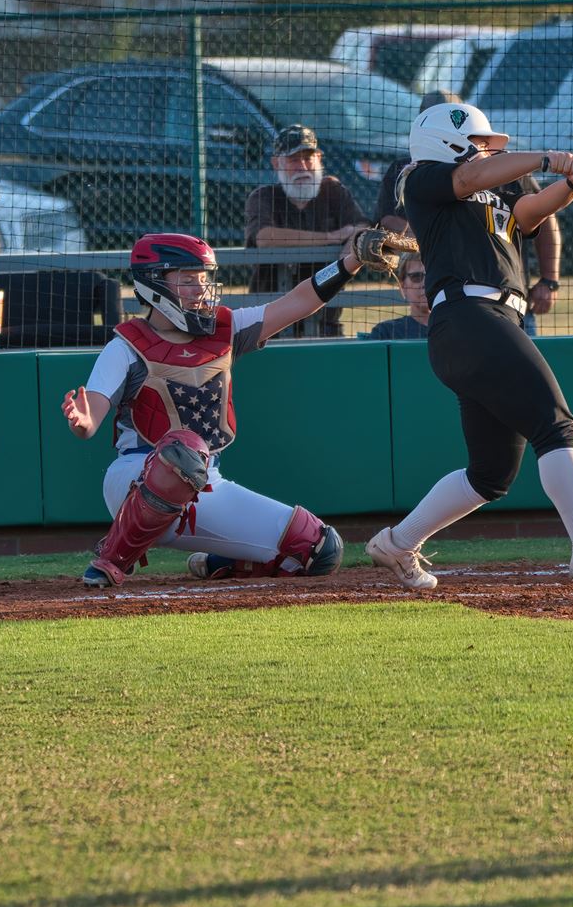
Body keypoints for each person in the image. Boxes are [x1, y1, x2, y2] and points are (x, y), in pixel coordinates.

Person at [364, 103, 573, 591]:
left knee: (491, 474)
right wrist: (546, 158)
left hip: (494, 320)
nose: (489, 150)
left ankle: (397, 542)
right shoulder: (423, 178)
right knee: (555, 424)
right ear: (447, 142)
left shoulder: (499, 183)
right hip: (467, 315)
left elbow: (527, 214)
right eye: (479, 143)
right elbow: (469, 180)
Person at [60, 227, 411, 586]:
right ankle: (112, 557)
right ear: (154, 283)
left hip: (205, 485)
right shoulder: (125, 346)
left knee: (322, 550)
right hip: (134, 479)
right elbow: (92, 419)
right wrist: (83, 422)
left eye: (202, 278)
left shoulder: (225, 329)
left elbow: (298, 302)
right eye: (187, 279)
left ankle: (218, 561)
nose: (200, 289)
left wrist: (350, 262)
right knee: (183, 450)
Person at [381, 92, 562, 336]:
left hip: (510, 296)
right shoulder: (415, 171)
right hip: (459, 298)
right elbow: (390, 220)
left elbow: (539, 213)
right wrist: (431, 227)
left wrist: (550, 279)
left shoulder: (505, 168)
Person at [243, 124, 365, 338]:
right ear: (276, 163)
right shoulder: (263, 196)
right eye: (293, 160)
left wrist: (350, 247)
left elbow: (363, 226)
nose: (302, 167)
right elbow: (264, 237)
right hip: (270, 323)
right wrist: (330, 238)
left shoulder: (333, 191)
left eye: (308, 158)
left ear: (319, 159)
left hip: (326, 321)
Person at [369, 253, 431, 340]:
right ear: (403, 286)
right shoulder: (386, 333)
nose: (425, 283)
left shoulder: (456, 327)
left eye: (432, 275)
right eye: (416, 276)